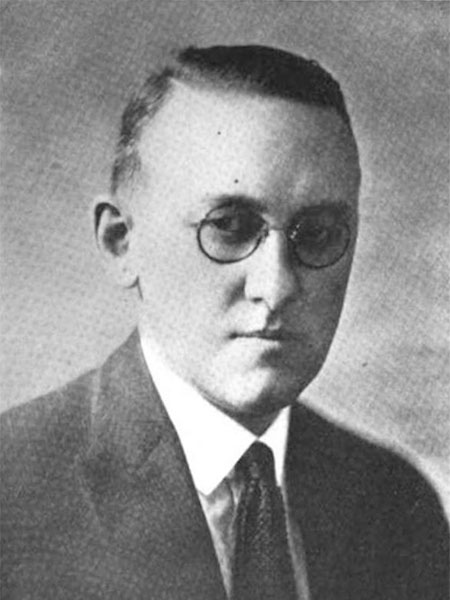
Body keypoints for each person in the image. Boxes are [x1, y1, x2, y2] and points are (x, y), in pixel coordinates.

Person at [1, 45, 448, 600]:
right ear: (121, 243)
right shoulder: (11, 492)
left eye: (318, 234)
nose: (276, 286)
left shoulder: (396, 504)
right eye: (230, 227)